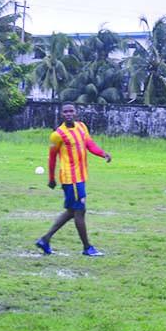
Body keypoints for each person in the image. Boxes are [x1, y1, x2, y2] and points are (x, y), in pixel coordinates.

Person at [35, 102, 111, 257]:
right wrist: (51, 178)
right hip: (71, 179)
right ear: (61, 115)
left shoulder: (82, 127)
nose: (68, 114)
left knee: (71, 211)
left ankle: (45, 239)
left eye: (71, 111)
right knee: (80, 211)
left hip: (81, 177)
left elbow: (90, 145)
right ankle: (87, 247)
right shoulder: (57, 135)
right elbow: (52, 158)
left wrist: (102, 153)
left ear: (76, 113)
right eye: (65, 112)